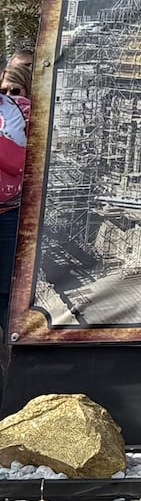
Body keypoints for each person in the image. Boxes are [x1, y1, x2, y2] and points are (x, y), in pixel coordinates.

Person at [0, 56, 31, 347]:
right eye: (5, 89)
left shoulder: (23, 115)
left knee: (5, 294)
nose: (10, 96)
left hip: (9, 212)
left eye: (16, 90)